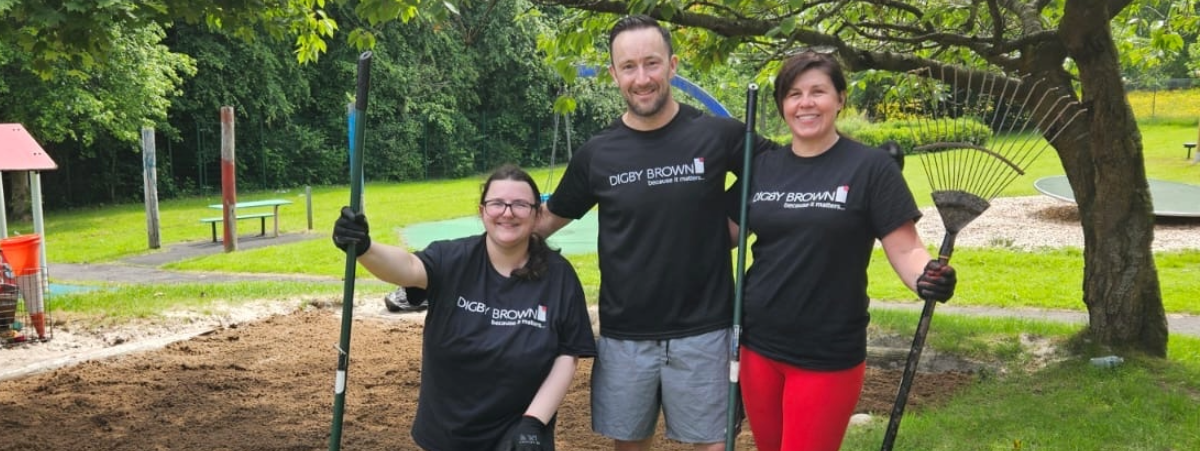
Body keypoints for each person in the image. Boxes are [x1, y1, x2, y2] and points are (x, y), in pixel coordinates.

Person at [534, 15, 775, 451]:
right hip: (626, 335)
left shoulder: (717, 134)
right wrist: (487, 229)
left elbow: (783, 171)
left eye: (652, 63)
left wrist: (731, 223)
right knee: (630, 445)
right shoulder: (597, 154)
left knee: (713, 444)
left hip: (707, 330)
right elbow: (545, 221)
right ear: (613, 74)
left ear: (673, 65)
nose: (641, 78)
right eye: (628, 67)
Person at [732, 51, 958, 451]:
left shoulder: (870, 168)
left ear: (840, 98)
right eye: (794, 94)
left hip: (826, 352)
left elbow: (906, 248)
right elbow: (722, 234)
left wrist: (928, 275)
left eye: (817, 91)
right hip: (757, 346)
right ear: (782, 105)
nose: (805, 103)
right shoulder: (763, 167)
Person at [332, 164, 597, 451]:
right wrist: (365, 248)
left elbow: (567, 355)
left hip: (519, 435)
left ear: (536, 214)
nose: (507, 212)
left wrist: (533, 422)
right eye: (497, 203)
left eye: (520, 204)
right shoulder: (451, 259)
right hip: (448, 433)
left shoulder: (559, 276)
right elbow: (407, 267)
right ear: (482, 211)